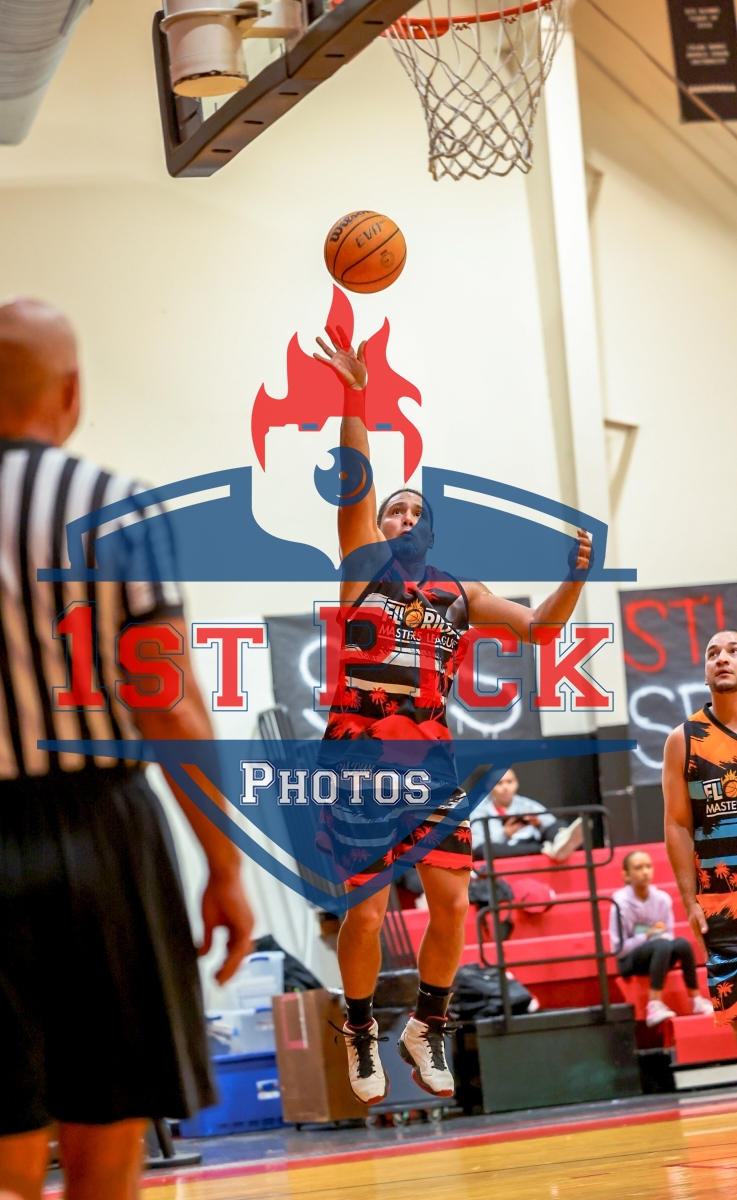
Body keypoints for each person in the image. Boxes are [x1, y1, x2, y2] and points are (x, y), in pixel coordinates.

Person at [0, 300, 254, 1200]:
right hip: (103, 834)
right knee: (106, 1161)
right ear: (73, 391)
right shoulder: (116, 505)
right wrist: (224, 864)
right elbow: (171, 705)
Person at [312, 325, 592, 1105]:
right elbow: (356, 486)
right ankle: (360, 1028)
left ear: (431, 531)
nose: (402, 519)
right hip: (363, 749)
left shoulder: (460, 593)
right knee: (367, 912)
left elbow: (539, 630)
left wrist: (574, 580)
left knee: (454, 902)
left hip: (429, 751)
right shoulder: (363, 569)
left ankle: (425, 1024)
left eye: (414, 513)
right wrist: (356, 393)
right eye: (393, 512)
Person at [664, 629, 737, 1032]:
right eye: (713, 653)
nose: (722, 658)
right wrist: (689, 900)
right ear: (705, 673)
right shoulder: (684, 739)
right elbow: (677, 823)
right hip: (722, 904)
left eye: (733, 651)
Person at [610, 850, 712, 1027]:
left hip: (658, 953)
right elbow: (618, 949)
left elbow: (669, 935)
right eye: (638, 868)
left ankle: (696, 1000)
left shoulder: (662, 899)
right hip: (630, 960)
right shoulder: (619, 904)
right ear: (626, 875)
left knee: (682, 944)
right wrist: (647, 936)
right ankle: (654, 1005)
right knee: (662, 944)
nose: (645, 872)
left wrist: (657, 938)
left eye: (648, 866)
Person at [469, 768, 583, 861]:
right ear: (489, 787)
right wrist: (506, 833)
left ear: (516, 783)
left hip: (529, 842)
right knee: (483, 849)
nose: (505, 788)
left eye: (509, 782)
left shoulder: (526, 804)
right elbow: (477, 845)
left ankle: (561, 842)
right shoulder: (479, 811)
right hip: (504, 850)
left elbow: (550, 822)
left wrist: (538, 823)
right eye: (499, 783)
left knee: (558, 825)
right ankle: (546, 849)